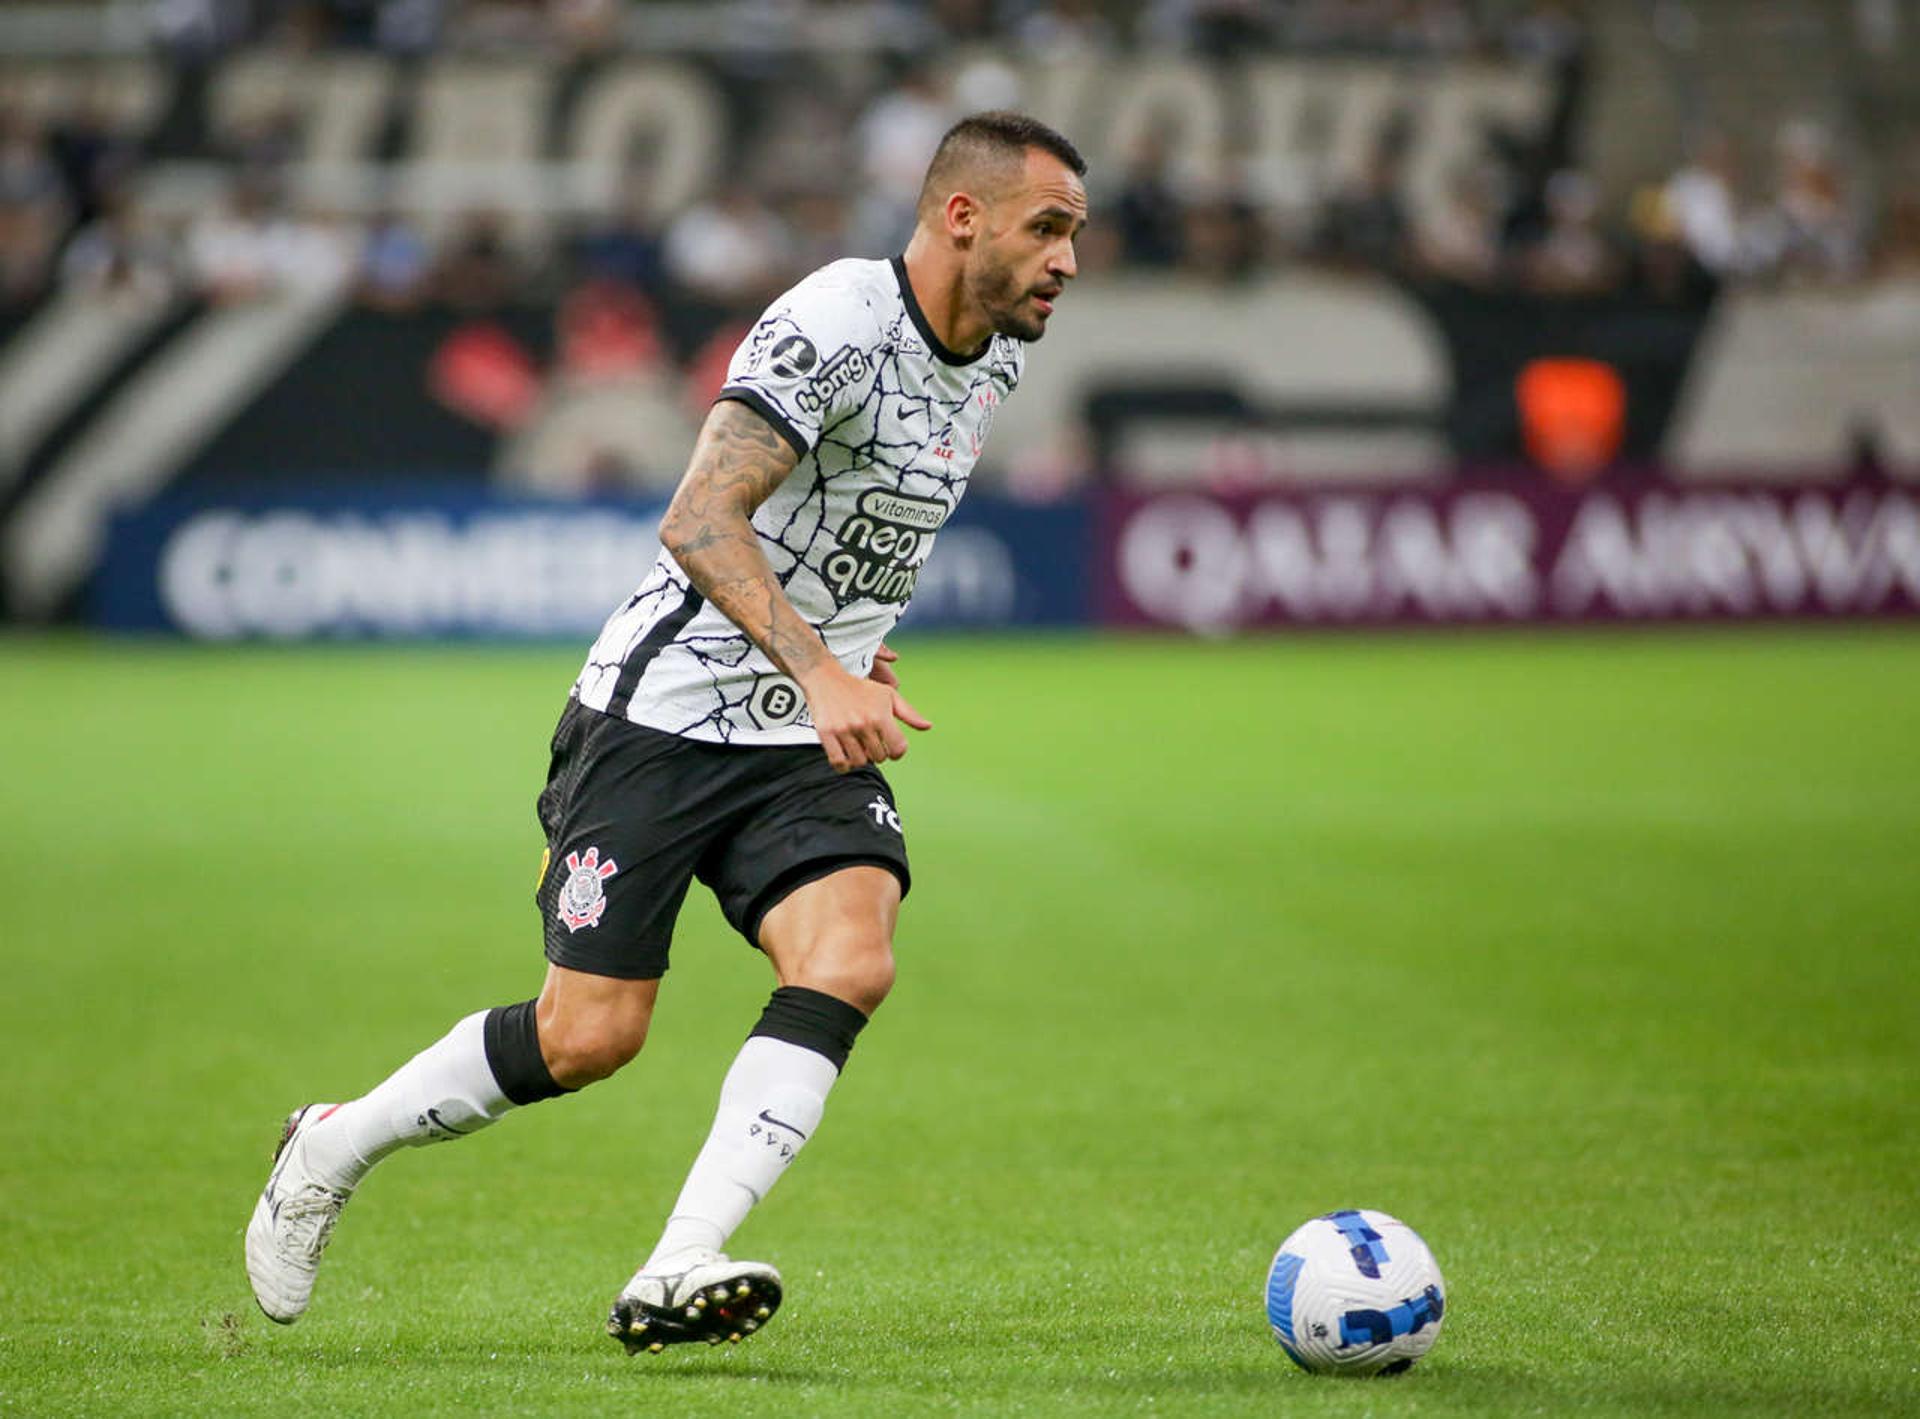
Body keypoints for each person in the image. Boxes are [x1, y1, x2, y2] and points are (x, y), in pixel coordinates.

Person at [244, 111, 1088, 1354]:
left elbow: (860, 518)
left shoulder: (998, 358)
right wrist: (819, 668)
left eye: (1077, 233)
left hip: (801, 739)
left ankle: (678, 1260)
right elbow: (698, 519)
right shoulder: (838, 320)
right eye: (1050, 227)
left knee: (850, 956)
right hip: (661, 716)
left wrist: (850, 640)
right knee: (589, 1038)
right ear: (962, 216)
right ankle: (332, 1143)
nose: (1070, 260)